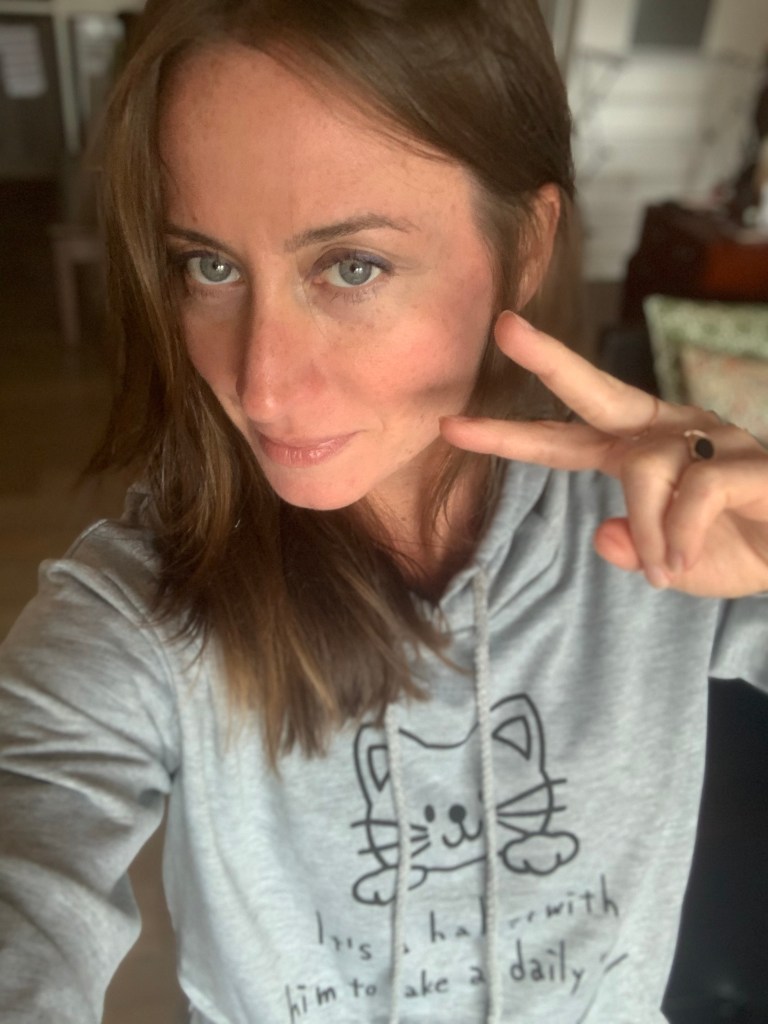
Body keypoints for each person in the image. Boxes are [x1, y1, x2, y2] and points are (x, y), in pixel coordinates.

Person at [1, 1, 767, 1022]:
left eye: (351, 266)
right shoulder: (136, 611)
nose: (260, 385)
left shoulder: (663, 534)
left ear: (527, 245)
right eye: (210, 265)